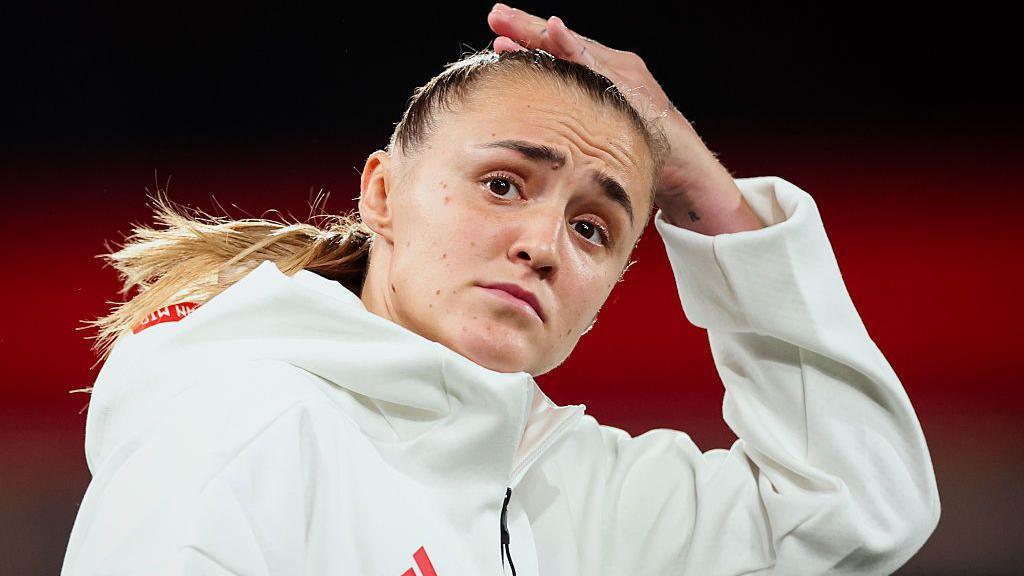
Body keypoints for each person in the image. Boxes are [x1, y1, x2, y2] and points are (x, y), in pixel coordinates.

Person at [60, 5, 940, 575]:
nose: (543, 246)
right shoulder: (247, 426)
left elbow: (854, 506)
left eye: (595, 227)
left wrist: (708, 195)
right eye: (504, 184)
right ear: (379, 193)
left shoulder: (577, 491)